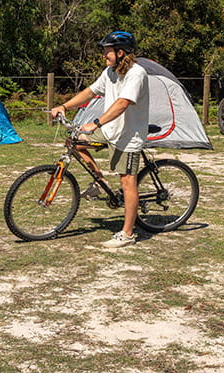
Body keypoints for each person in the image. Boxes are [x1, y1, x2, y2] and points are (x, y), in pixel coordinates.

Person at [49, 31, 149, 249]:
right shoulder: (110, 72)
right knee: (74, 142)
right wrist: (64, 106)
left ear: (120, 52)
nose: (104, 55)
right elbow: (90, 92)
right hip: (111, 129)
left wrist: (96, 123)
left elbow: (123, 103)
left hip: (129, 134)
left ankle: (128, 233)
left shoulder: (136, 74)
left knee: (127, 181)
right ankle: (99, 181)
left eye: (107, 51)